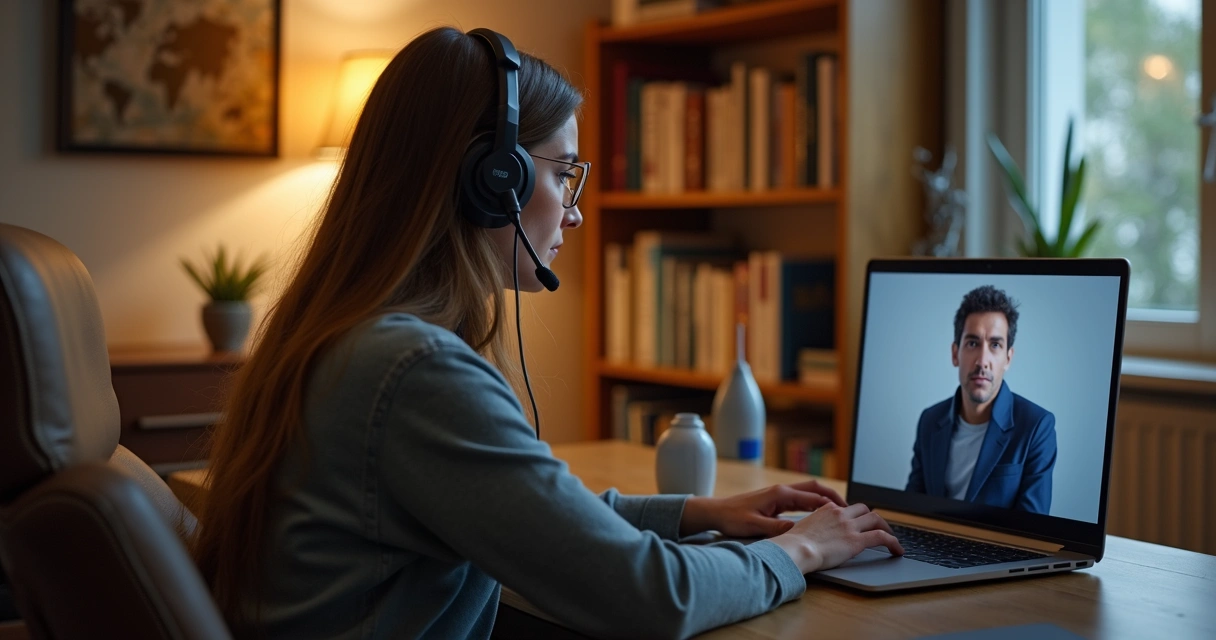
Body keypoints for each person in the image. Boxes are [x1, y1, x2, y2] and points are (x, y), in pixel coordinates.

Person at [190, 26, 902, 639]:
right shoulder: (412, 370)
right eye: (564, 174)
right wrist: (802, 552)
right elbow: (646, 596)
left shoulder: (348, 339)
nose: (574, 214)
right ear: (491, 179)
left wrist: (694, 512)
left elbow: (519, 512)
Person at [906, 285, 1057, 514]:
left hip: (998, 549)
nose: (982, 360)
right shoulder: (929, 420)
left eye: (995, 345)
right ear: (955, 354)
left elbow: (1033, 532)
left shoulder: (1037, 427)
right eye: (973, 343)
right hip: (932, 545)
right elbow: (910, 510)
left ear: (1008, 358)